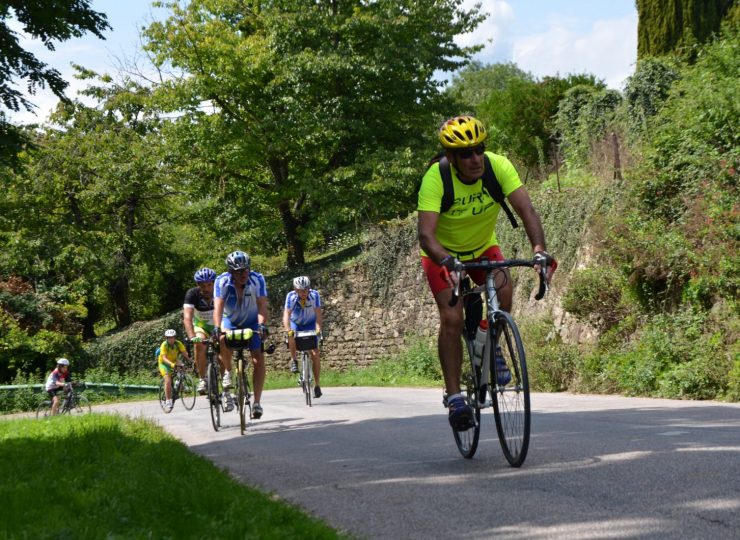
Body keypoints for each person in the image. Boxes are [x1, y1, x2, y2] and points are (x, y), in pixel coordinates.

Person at [417, 115, 557, 432]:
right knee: (451, 319)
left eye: (479, 148)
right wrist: (447, 261)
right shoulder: (436, 178)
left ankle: (489, 341)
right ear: (451, 157)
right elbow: (426, 235)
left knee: (504, 288)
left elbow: (528, 210)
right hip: (442, 253)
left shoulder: (498, 167)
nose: (475, 158)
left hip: (482, 247)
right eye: (466, 153)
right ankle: (454, 397)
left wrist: (538, 250)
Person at [212, 250, 269, 418]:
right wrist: (216, 327)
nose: (243, 274)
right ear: (231, 272)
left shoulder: (257, 279)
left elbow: (262, 305)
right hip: (231, 321)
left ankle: (257, 403)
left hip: (252, 321)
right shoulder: (221, 281)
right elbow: (218, 307)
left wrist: (262, 325)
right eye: (238, 271)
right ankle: (228, 373)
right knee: (222, 337)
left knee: (258, 359)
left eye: (245, 269)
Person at [283, 275, 324, 398]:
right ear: (296, 290)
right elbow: (286, 315)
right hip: (296, 323)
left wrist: (318, 329)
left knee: (315, 354)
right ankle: (294, 360)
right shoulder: (291, 297)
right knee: (290, 335)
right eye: (300, 290)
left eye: (305, 289)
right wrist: (288, 329)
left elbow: (318, 313)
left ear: (309, 288)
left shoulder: (315, 295)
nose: (303, 293)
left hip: (310, 324)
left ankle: (317, 385)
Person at [183, 267, 217, 395]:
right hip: (201, 326)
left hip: (218, 325)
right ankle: (202, 378)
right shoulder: (192, 294)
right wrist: (192, 337)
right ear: (197, 285)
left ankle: (227, 377)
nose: (206, 288)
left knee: (223, 344)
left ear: (214, 283)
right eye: (203, 285)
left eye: (209, 284)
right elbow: (187, 318)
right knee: (199, 343)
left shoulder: (220, 291)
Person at [158, 328, 192, 412]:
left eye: (173, 337)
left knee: (182, 366)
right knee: (168, 381)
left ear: (175, 337)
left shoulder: (178, 344)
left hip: (174, 360)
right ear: (166, 338)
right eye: (169, 337)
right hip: (164, 363)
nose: (171, 339)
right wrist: (172, 365)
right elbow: (164, 358)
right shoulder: (164, 345)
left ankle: (179, 382)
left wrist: (191, 360)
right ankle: (168, 400)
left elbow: (185, 354)